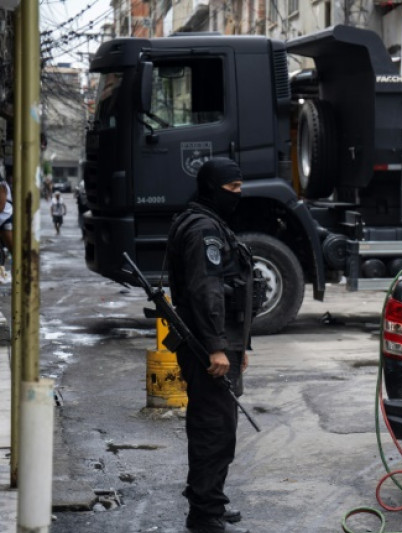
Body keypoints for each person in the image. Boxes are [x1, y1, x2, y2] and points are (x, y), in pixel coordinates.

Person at [166, 158, 255, 533]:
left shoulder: (204, 220)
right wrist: (219, 347)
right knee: (213, 428)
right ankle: (204, 513)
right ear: (212, 188)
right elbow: (207, 291)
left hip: (219, 342)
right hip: (207, 345)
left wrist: (239, 347)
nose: (238, 195)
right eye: (232, 189)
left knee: (219, 425)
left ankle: (210, 501)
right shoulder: (204, 230)